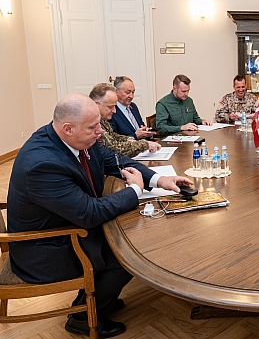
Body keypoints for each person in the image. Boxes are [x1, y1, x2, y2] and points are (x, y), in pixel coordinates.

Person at [7, 94, 193, 338]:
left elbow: (114, 159)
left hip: (67, 224)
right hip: (44, 248)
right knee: (128, 254)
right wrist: (134, 191)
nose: (99, 133)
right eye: (93, 127)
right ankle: (83, 318)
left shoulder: (74, 139)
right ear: (68, 128)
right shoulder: (42, 164)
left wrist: (158, 179)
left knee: (127, 240)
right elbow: (89, 213)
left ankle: (96, 298)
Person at [90, 83, 161, 158]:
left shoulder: (102, 119)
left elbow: (113, 136)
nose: (114, 111)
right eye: (110, 107)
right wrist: (144, 145)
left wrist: (129, 139)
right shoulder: (92, 122)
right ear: (96, 104)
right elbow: (112, 147)